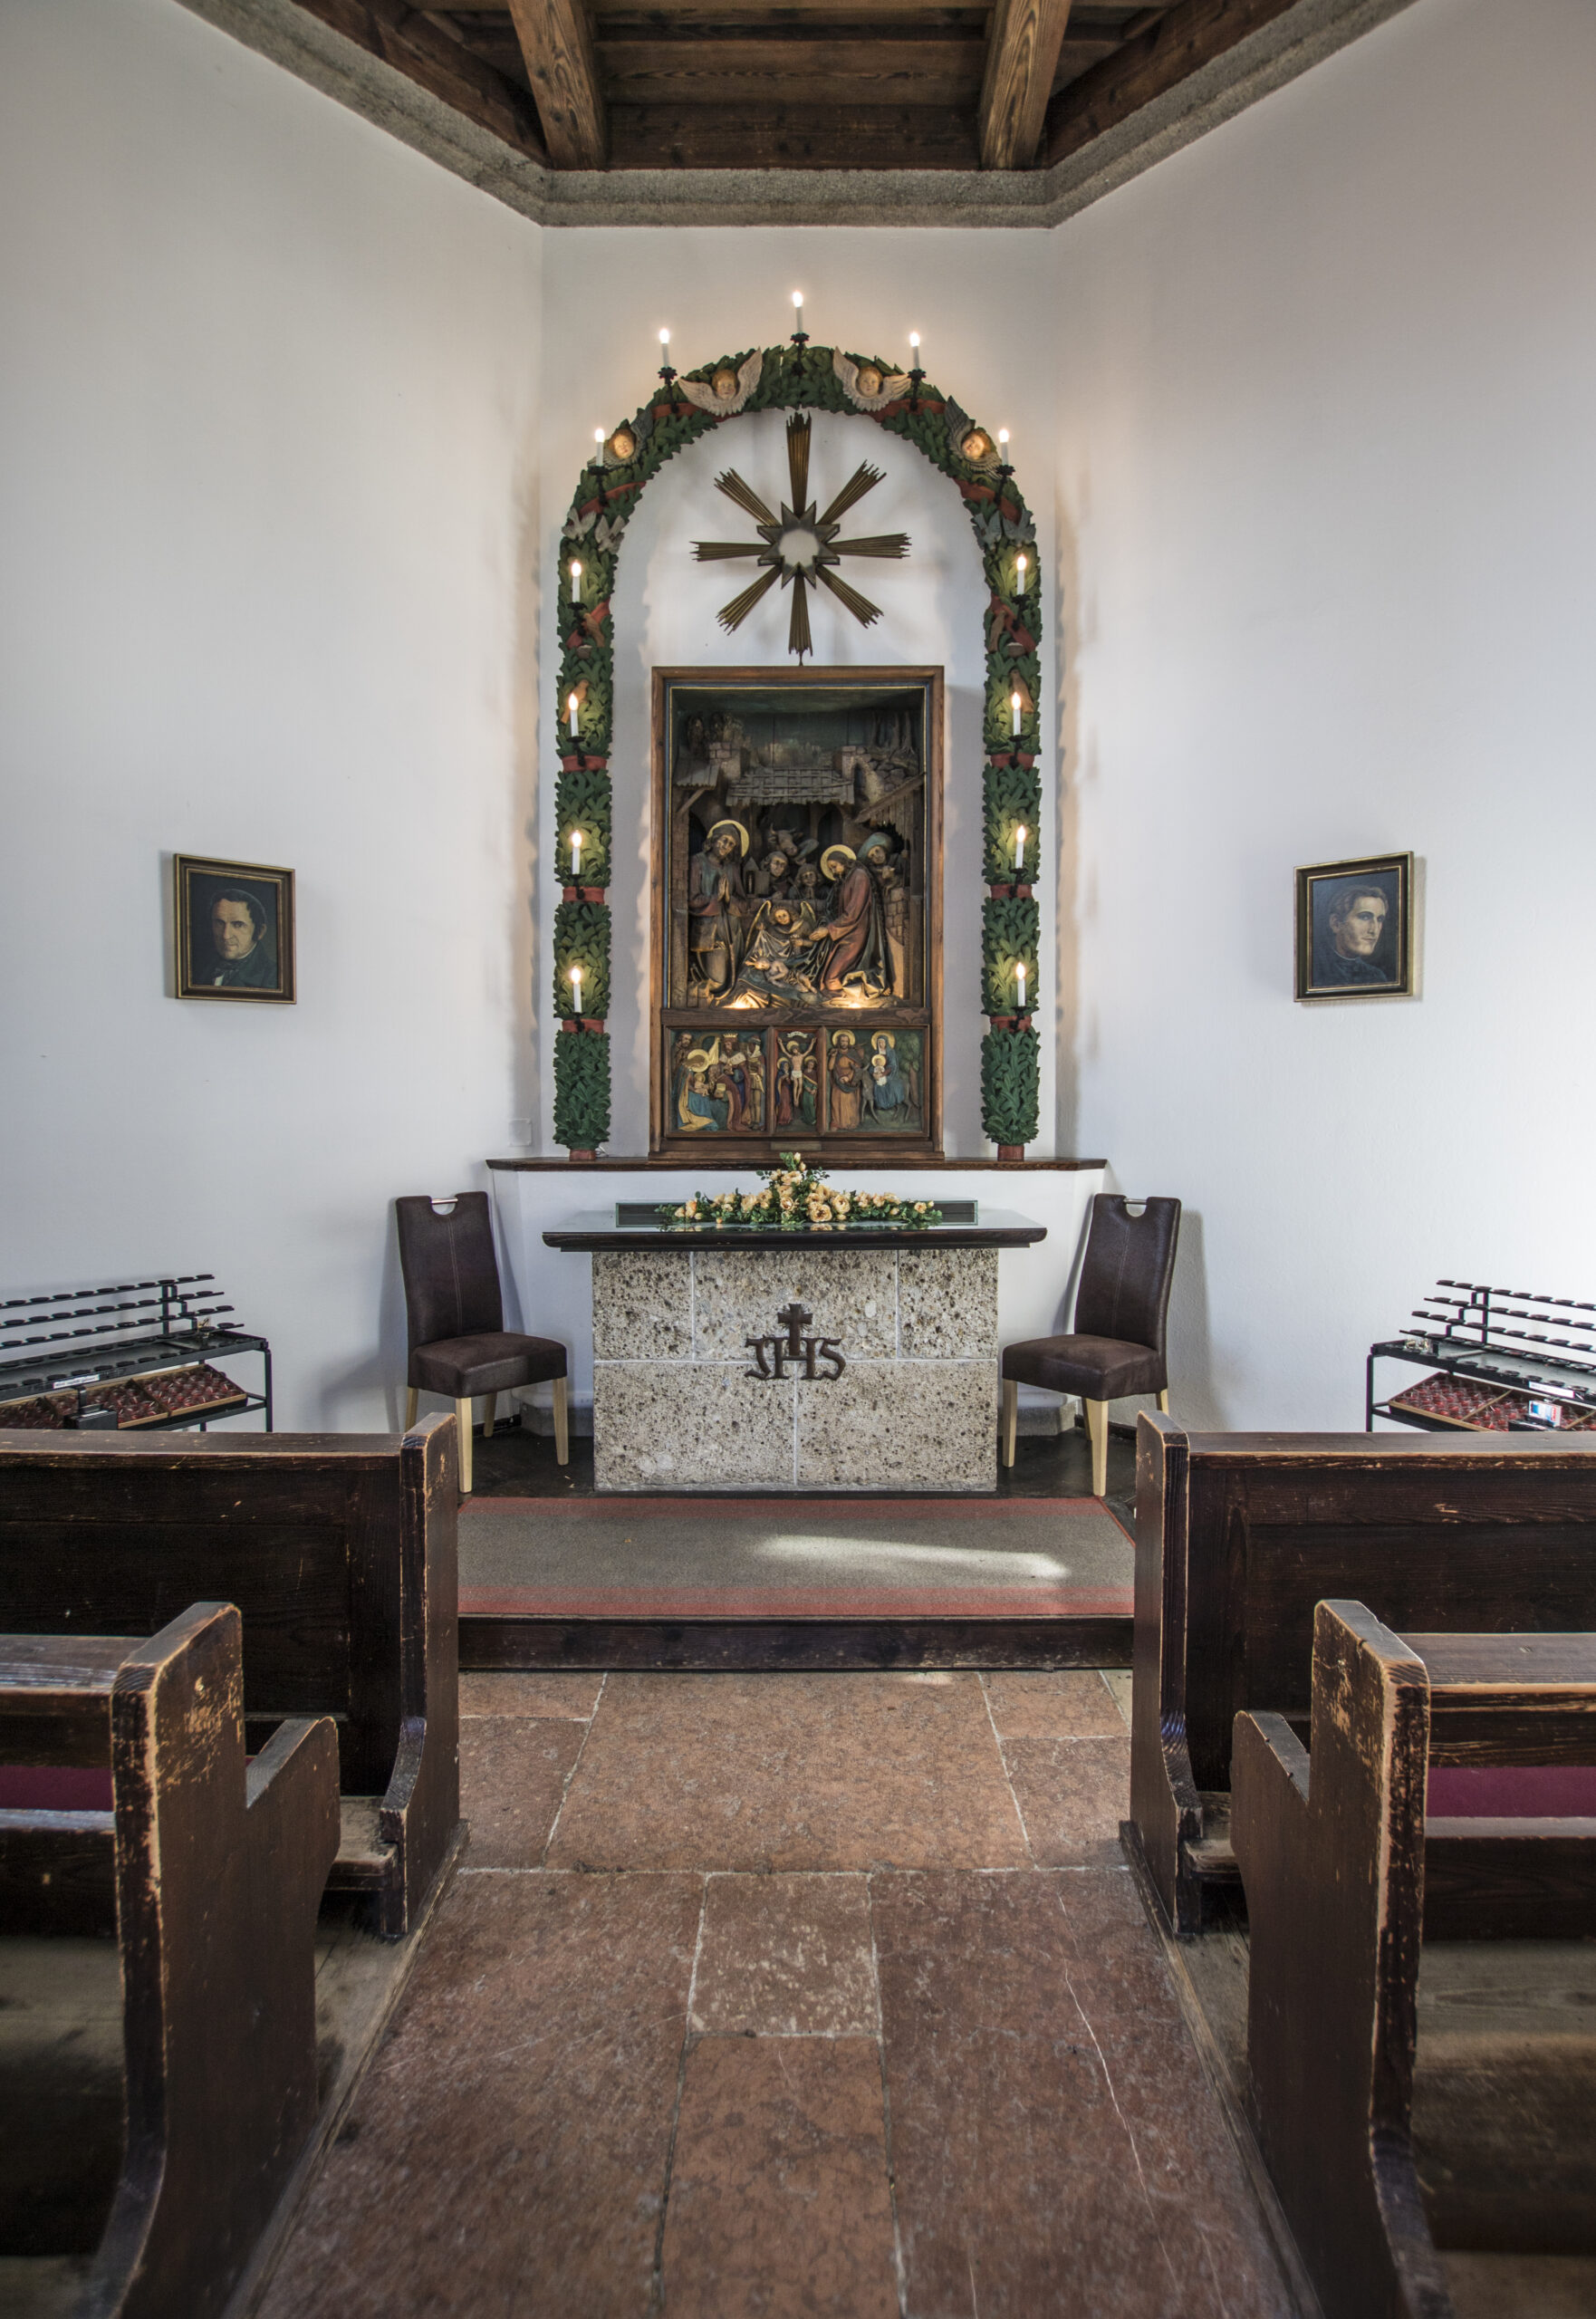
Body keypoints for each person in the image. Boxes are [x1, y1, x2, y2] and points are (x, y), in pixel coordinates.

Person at [808, 836, 890, 995]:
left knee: (831, 980)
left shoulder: (859, 875)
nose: (832, 871)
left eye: (834, 866)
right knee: (825, 977)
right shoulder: (845, 880)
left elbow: (853, 912)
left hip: (856, 933)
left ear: (843, 861)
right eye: (830, 868)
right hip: (845, 932)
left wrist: (828, 929)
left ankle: (865, 991)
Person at [687, 820, 747, 1001]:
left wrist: (728, 898)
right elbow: (691, 900)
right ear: (713, 840)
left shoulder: (732, 868)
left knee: (736, 977)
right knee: (718, 981)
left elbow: (743, 904)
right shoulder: (697, 861)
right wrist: (716, 898)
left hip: (732, 929)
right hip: (710, 929)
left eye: (731, 844)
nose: (726, 846)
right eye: (724, 840)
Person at [1315, 880, 1391, 986]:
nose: (1374, 930)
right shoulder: (1315, 970)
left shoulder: (1376, 976)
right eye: (1364, 917)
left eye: (1379, 919)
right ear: (1336, 923)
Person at [201, 888, 276, 989]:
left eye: (238, 925)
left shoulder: (273, 976)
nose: (225, 935)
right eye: (219, 923)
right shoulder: (203, 967)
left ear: (259, 931)